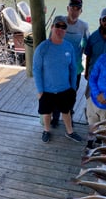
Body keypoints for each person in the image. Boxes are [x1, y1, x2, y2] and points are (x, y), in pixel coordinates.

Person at [33, 15, 82, 144]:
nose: (60, 29)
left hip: (65, 88)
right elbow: (36, 70)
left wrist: (72, 87)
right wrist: (40, 90)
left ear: (66, 30)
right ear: (52, 27)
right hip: (47, 90)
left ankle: (70, 132)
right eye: (57, 26)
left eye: (63, 27)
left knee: (66, 112)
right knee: (47, 113)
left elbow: (73, 68)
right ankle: (46, 130)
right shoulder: (42, 48)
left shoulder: (69, 47)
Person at [51, 0, 89, 128]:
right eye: (72, 8)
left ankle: (68, 116)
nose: (74, 11)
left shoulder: (83, 26)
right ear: (68, 8)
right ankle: (55, 117)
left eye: (77, 9)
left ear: (81, 11)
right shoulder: (59, 21)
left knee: (71, 94)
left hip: (75, 69)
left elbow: (87, 45)